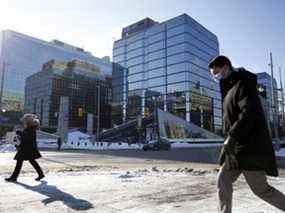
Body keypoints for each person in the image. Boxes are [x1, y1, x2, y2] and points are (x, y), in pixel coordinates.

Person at [209, 55, 285, 213]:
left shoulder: (243, 83)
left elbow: (248, 113)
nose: (215, 76)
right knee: (222, 181)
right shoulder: (229, 88)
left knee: (260, 189)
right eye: (213, 74)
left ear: (225, 67)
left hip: (250, 149)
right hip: (235, 151)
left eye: (216, 72)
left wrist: (232, 137)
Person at [5, 113, 45, 182]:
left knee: (20, 162)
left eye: (24, 121)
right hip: (27, 149)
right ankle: (40, 174)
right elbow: (25, 137)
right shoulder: (30, 128)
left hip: (27, 149)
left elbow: (27, 138)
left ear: (28, 122)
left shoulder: (31, 129)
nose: (23, 122)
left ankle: (14, 177)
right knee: (31, 161)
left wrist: (19, 133)